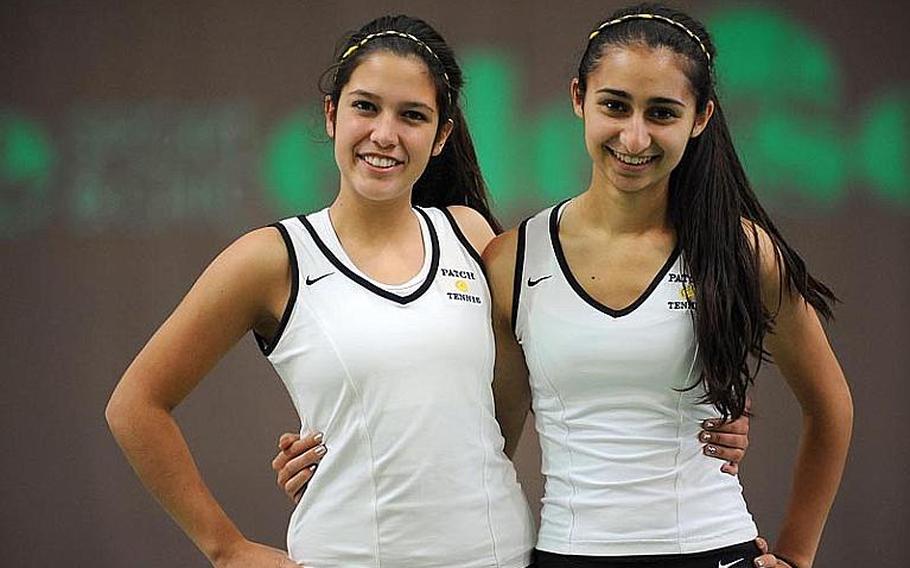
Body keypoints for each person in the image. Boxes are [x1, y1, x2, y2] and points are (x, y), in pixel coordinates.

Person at [274, 4, 852, 568]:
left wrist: (797, 557)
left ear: (700, 118)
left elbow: (829, 410)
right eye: (615, 105)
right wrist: (341, 460)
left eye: (662, 113)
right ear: (579, 99)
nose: (634, 136)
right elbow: (472, 432)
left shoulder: (740, 252)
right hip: (567, 553)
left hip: (715, 549)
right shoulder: (512, 260)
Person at [106, 15, 537, 568]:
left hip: (498, 554)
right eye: (366, 106)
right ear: (331, 114)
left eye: (412, 115)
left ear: (441, 136)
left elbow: (494, 406)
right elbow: (135, 406)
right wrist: (227, 549)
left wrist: (376, 447)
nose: (385, 134)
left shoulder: (472, 236)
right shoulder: (273, 258)